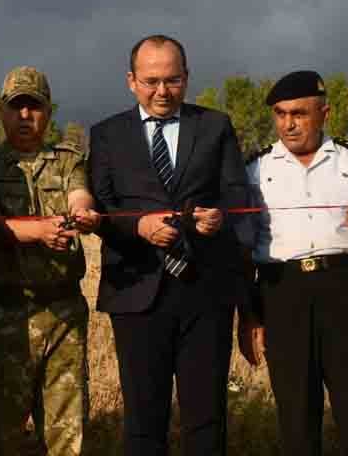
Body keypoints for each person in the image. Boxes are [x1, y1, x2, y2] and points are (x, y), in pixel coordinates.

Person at [89, 35, 252, 455]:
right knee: (144, 420)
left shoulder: (215, 126)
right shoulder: (106, 135)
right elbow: (100, 209)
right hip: (136, 292)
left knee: (206, 417)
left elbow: (237, 195)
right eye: (151, 81)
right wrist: (138, 226)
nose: (162, 91)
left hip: (205, 292)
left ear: (187, 77)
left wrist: (219, 218)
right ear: (131, 81)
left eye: (173, 80)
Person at [237, 70, 348, 455]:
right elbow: (244, 247)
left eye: (299, 114)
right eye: (280, 114)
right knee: (296, 414)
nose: (288, 124)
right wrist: (250, 314)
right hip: (282, 291)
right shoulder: (255, 169)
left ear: (324, 113)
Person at [0, 66, 100, 456]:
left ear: (48, 112)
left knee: (68, 427)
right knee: (3, 426)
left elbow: (80, 194)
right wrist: (37, 231)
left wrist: (83, 212)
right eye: (17, 107)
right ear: (1, 111)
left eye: (35, 107)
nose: (25, 116)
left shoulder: (68, 159)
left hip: (64, 309)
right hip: (6, 312)